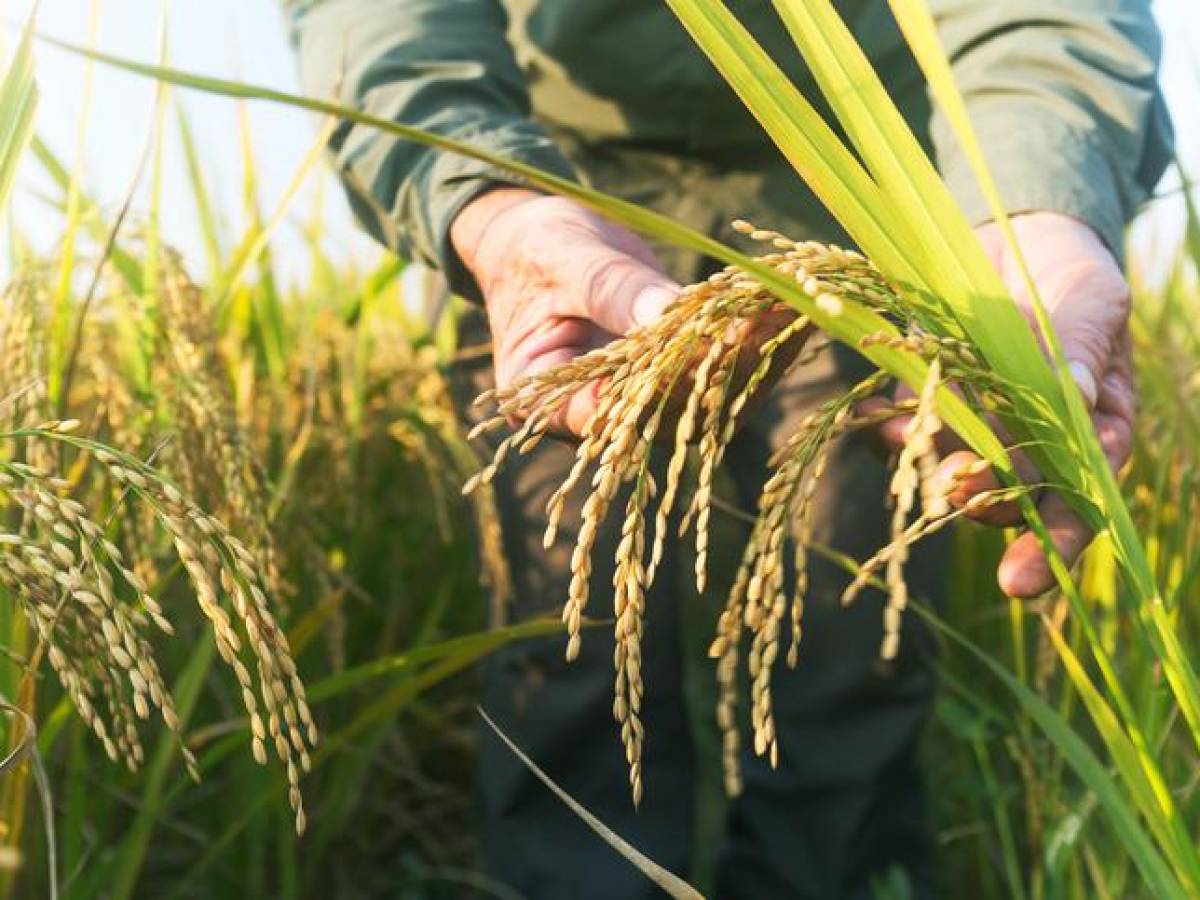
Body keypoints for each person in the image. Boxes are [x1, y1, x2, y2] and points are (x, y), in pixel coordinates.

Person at [290, 1, 1170, 896]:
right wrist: (482, 192)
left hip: (861, 195)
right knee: (565, 636)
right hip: (550, 180)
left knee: (848, 636)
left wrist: (1037, 210)